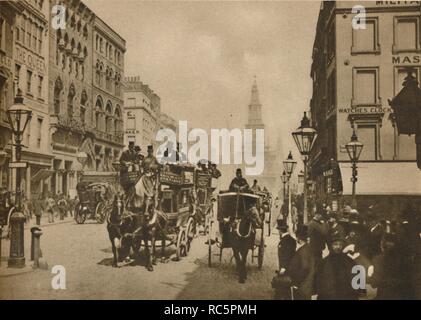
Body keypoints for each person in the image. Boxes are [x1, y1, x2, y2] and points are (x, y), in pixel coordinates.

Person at [314, 231, 359, 300]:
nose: (338, 247)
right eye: (335, 244)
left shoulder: (349, 261)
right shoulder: (323, 263)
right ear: (330, 246)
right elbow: (319, 286)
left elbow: (356, 280)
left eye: (340, 245)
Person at [287, 225, 315, 300]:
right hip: (305, 285)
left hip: (302, 286)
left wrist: (296, 283)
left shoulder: (303, 251)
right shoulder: (307, 248)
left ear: (298, 238)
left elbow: (305, 268)